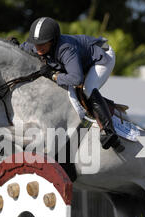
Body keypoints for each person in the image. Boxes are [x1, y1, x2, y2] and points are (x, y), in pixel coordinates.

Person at [20, 17, 124, 152]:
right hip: (85, 53)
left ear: (53, 41)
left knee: (87, 88)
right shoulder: (34, 45)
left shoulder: (65, 49)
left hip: (102, 53)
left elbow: (76, 79)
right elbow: (20, 49)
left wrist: (53, 75)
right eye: (35, 43)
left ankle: (109, 132)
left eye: (43, 43)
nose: (38, 47)